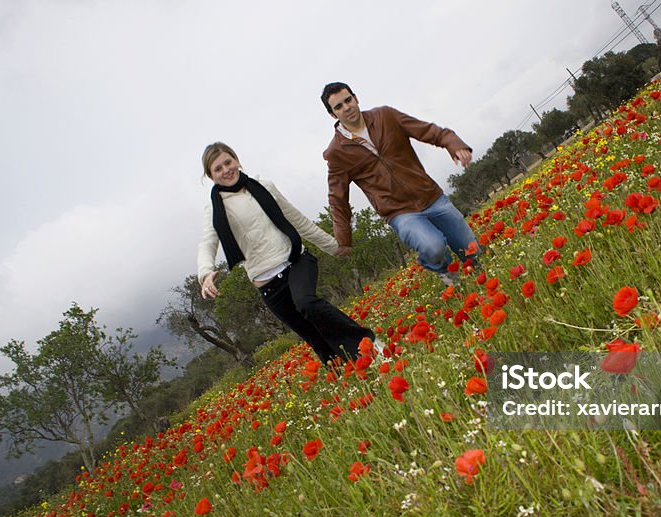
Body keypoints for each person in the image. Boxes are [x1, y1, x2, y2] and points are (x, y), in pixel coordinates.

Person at [196, 141, 374, 364]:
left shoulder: (264, 186)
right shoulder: (215, 209)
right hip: (267, 283)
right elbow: (207, 242)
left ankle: (369, 347)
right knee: (312, 334)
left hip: (295, 260)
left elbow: (297, 220)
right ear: (211, 177)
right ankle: (346, 371)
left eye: (228, 162)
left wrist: (333, 246)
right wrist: (205, 273)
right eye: (218, 169)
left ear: (236, 160)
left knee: (307, 303)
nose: (226, 170)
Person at [320, 82, 479, 286]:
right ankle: (443, 272)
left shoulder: (385, 116)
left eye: (348, 100)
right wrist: (343, 239)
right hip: (400, 213)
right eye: (338, 107)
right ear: (333, 115)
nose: (346, 107)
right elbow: (337, 198)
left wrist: (453, 144)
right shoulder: (336, 153)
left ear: (356, 98)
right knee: (433, 247)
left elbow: (426, 130)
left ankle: (482, 281)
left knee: (473, 252)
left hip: (430, 195)